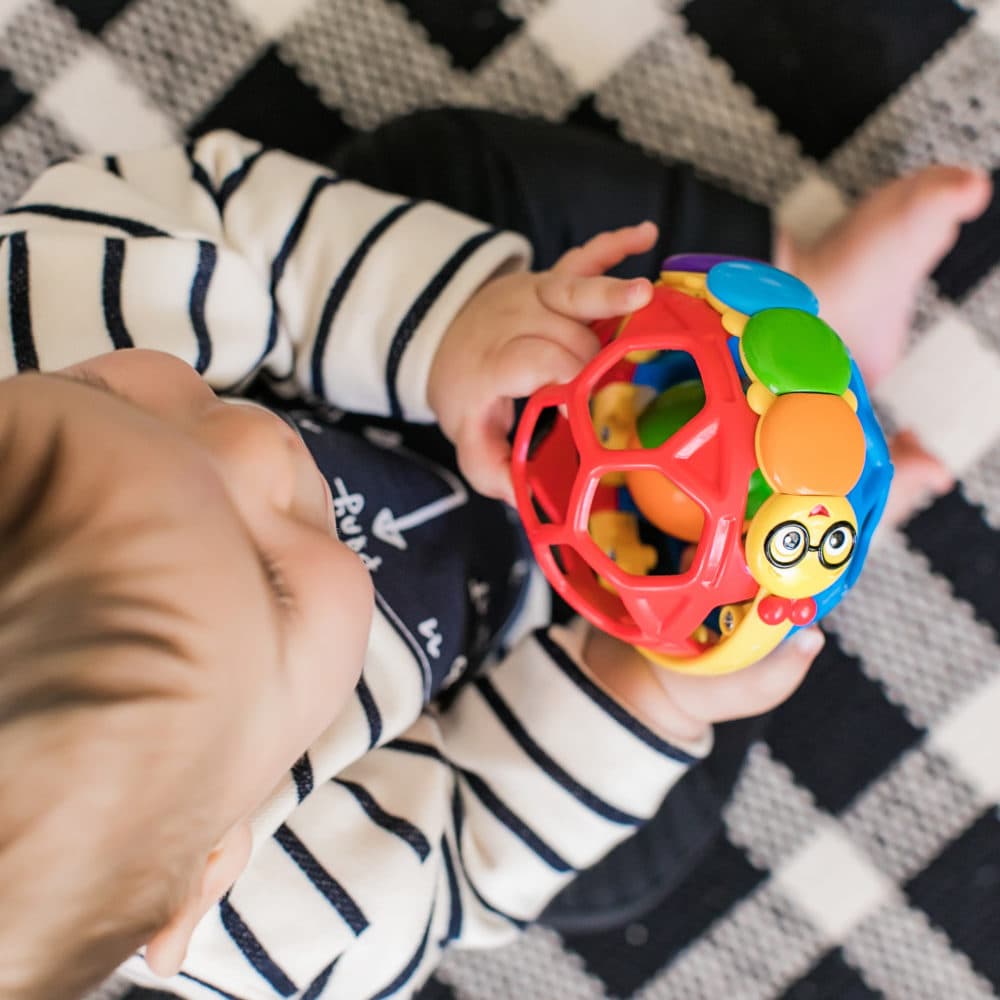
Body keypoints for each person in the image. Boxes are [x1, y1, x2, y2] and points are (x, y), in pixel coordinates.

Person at [0, 112, 987, 1000]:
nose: (255, 444)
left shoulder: (37, 312)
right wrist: (638, 698)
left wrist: (447, 331)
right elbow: (463, 855)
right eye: (266, 578)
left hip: (439, 369)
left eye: (110, 399)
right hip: (539, 653)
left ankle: (795, 299)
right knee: (621, 862)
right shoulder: (287, 920)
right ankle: (802, 535)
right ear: (214, 857)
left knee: (441, 165)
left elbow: (204, 214)